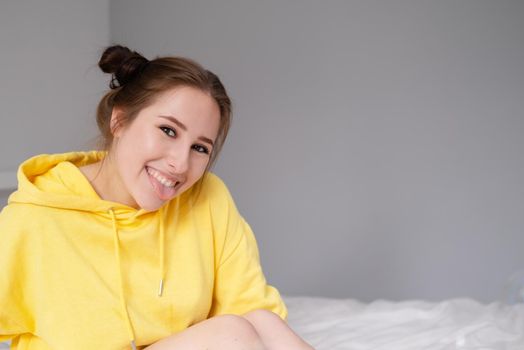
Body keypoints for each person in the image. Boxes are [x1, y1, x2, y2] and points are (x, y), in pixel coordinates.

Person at [0, 45, 313, 350]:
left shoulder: (208, 198)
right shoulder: (34, 219)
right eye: (168, 130)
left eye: (200, 148)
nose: (180, 163)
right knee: (232, 332)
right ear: (119, 121)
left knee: (262, 321)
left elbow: (252, 309)